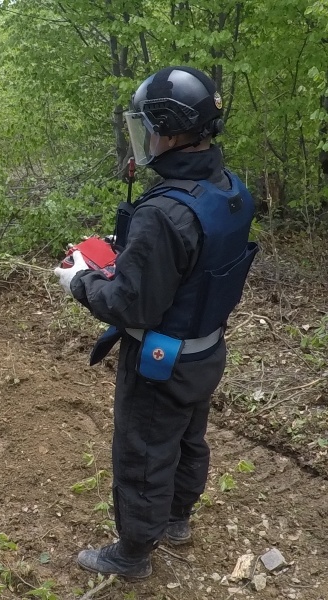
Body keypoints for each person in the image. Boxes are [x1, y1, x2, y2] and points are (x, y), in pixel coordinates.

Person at [54, 66, 258, 579]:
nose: (145, 137)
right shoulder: (230, 189)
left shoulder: (164, 212)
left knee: (143, 451)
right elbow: (191, 266)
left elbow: (129, 306)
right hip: (206, 351)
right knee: (189, 437)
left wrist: (78, 280)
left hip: (158, 360)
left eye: (149, 125)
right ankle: (177, 520)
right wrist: (134, 258)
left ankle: (132, 555)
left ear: (169, 128)